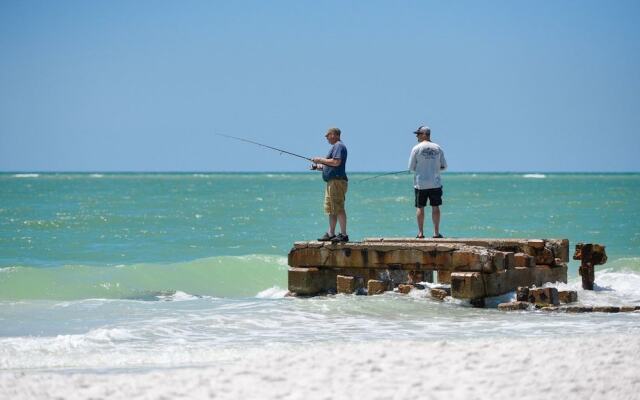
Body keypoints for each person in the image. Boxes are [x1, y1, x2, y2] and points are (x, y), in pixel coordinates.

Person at [408, 125, 447, 239]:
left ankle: (420, 233)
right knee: (435, 207)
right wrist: (434, 169)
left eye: (418, 134)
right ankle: (436, 233)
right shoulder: (438, 147)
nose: (417, 136)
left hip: (420, 184)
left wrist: (421, 169)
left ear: (425, 134)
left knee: (420, 207)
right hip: (435, 183)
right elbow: (444, 166)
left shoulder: (416, 148)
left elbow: (411, 167)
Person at [311, 127, 349, 243]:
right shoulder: (335, 147)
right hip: (331, 182)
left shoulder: (339, 146)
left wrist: (320, 160)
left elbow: (336, 162)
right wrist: (318, 166)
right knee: (331, 209)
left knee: (338, 207)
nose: (326, 137)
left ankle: (343, 235)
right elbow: (331, 165)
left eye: (328, 135)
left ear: (334, 134)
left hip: (337, 182)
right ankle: (330, 233)